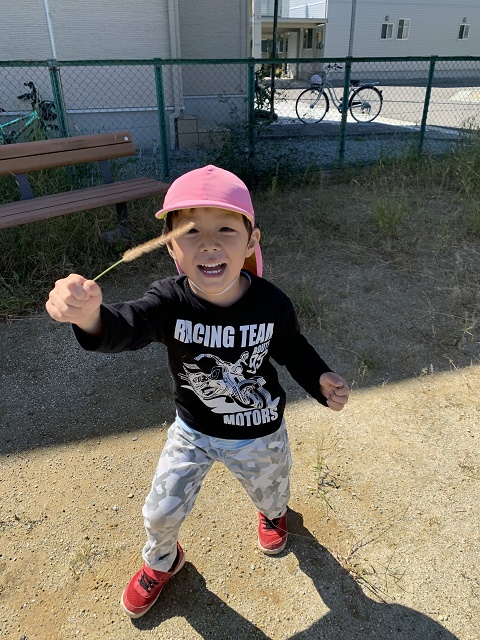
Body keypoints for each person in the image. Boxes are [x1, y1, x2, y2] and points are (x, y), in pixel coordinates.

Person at [45, 164, 349, 619]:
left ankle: (273, 514)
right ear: (171, 247)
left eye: (225, 229)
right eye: (190, 232)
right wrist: (88, 316)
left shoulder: (271, 303)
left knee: (272, 493)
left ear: (251, 241)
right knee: (159, 513)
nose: (208, 243)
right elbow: (125, 325)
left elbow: (291, 348)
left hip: (259, 431)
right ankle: (162, 561)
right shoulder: (168, 302)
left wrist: (319, 377)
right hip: (193, 432)